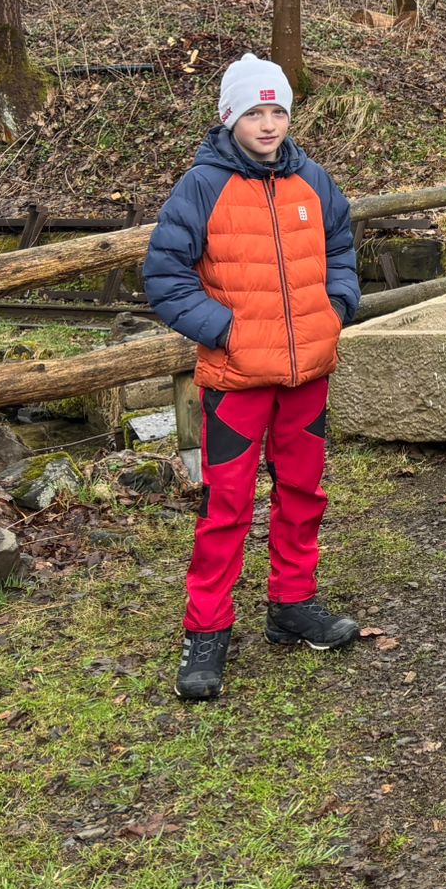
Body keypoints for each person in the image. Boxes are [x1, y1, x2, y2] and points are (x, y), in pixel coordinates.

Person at [144, 53, 364, 702]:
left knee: (303, 495)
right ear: (229, 117)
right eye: (254, 112)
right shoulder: (201, 188)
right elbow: (165, 277)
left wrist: (337, 308)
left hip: (308, 376)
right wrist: (226, 331)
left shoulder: (314, 181)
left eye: (278, 111)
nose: (268, 124)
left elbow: (342, 249)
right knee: (226, 507)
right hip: (237, 380)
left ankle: (293, 606)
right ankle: (206, 631)